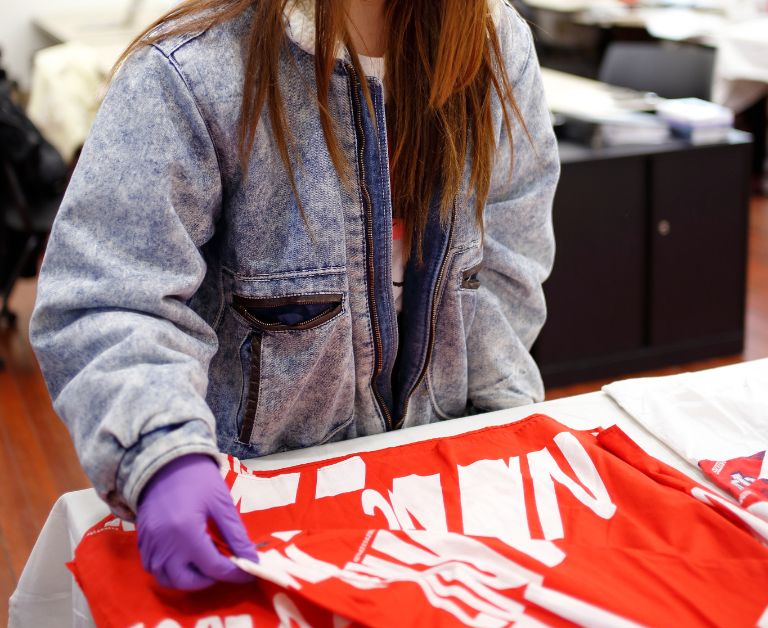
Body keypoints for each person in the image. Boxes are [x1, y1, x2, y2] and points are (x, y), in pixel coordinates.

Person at [30, 0, 560, 590]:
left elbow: (506, 268)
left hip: (449, 498)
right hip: (254, 510)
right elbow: (112, 295)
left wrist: (498, 431)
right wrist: (163, 451)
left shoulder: (495, 43)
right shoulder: (190, 70)